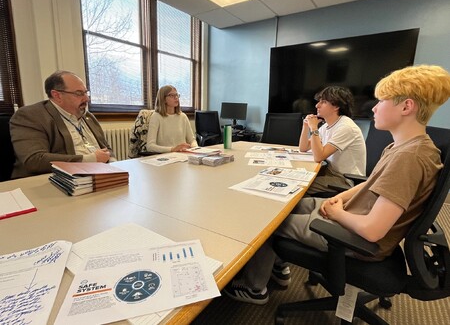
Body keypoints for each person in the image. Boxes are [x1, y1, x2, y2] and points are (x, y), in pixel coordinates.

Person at [224, 65, 450, 305]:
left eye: (381, 101)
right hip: (353, 211)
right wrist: (341, 199)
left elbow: (373, 231)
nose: (373, 107)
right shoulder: (404, 146)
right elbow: (370, 184)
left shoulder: (409, 157)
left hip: (355, 239)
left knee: (267, 221)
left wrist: (336, 212)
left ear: (406, 106)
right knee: (283, 205)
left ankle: (253, 288)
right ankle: (277, 267)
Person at [10, 70, 115, 179]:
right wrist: (90, 159)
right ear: (57, 95)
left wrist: (115, 165)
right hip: (56, 182)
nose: (86, 99)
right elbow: (35, 160)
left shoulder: (88, 117)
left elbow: (106, 149)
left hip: (97, 176)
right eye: (79, 93)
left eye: (86, 92)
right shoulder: (30, 116)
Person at [299, 86, 366, 195]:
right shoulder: (326, 126)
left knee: (300, 187)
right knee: (298, 179)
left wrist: (314, 128)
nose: (317, 105)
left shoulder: (346, 127)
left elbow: (318, 157)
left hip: (345, 180)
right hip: (330, 173)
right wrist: (305, 126)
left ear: (336, 106)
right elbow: (304, 148)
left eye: (323, 102)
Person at [146, 85, 198, 153]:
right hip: (164, 158)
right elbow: (150, 146)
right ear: (163, 99)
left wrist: (194, 148)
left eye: (176, 95)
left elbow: (192, 140)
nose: (176, 97)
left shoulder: (183, 116)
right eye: (171, 95)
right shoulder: (156, 117)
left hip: (182, 156)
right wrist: (172, 149)